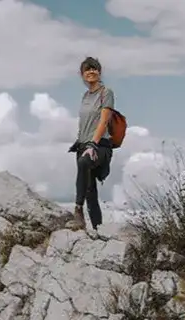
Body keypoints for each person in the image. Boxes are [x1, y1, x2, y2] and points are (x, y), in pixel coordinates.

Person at [68, 56, 115, 231]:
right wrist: (80, 142)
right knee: (89, 191)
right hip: (83, 145)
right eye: (87, 69)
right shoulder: (85, 96)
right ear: (82, 74)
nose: (91, 72)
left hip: (99, 146)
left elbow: (103, 122)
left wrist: (93, 145)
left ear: (99, 72)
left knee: (84, 163)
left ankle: (78, 211)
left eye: (94, 68)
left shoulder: (106, 93)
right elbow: (85, 122)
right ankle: (98, 229)